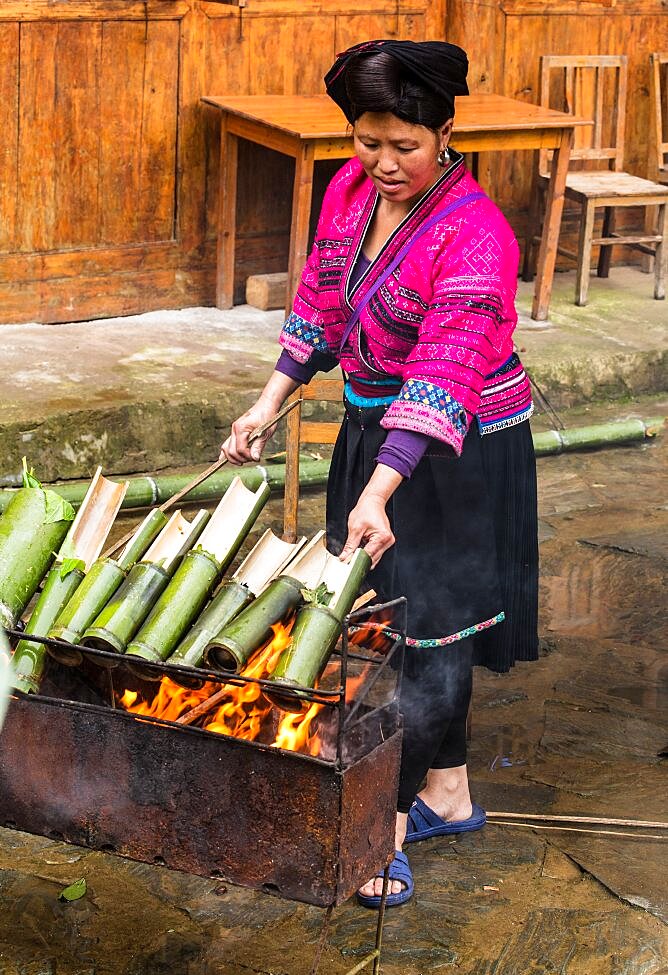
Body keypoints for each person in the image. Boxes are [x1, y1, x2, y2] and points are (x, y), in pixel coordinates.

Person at [221, 39, 538, 908]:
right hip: (374, 430)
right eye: (368, 141)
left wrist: (378, 487)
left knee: (427, 632)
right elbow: (322, 302)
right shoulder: (351, 192)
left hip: (455, 446)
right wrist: (265, 401)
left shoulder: (477, 234)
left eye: (405, 144)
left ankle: (386, 830)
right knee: (382, 620)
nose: (384, 163)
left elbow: (443, 371)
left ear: (446, 132)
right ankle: (449, 794)